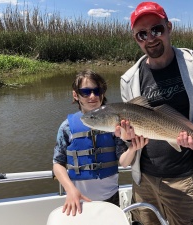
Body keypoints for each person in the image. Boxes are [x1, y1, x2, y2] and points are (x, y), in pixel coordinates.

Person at [115, 2, 193, 225]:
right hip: (143, 179)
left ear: (169, 27)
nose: (150, 38)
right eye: (141, 34)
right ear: (135, 38)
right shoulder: (129, 78)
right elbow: (131, 125)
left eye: (156, 29)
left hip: (182, 179)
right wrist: (127, 138)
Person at [53, 69, 148, 216]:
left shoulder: (115, 125)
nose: (92, 96)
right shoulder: (66, 126)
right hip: (79, 200)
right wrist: (71, 190)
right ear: (75, 95)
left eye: (97, 91)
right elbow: (58, 163)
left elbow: (123, 162)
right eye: (86, 91)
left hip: (110, 198)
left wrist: (132, 149)